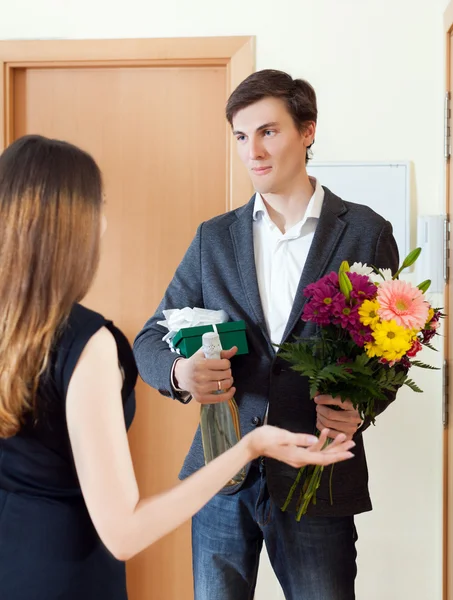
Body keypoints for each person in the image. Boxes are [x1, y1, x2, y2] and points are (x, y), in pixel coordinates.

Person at [0, 134, 355, 600]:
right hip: (64, 576)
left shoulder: (363, 230)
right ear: (73, 224)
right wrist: (246, 442)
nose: (104, 223)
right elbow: (124, 533)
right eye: (98, 206)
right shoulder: (87, 343)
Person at [133, 69, 400, 600]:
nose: (252, 150)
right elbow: (148, 340)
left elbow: (392, 352)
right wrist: (179, 372)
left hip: (318, 474)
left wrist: (362, 407)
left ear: (307, 132)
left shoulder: (367, 233)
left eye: (268, 132)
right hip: (221, 471)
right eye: (240, 136)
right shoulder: (214, 237)